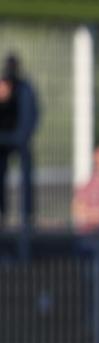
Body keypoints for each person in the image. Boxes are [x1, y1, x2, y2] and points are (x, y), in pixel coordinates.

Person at [0, 54, 38, 226]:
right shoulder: (2, 86)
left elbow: (31, 116)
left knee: (26, 173)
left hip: (19, 139)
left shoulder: (25, 88)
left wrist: (23, 136)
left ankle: (26, 217)